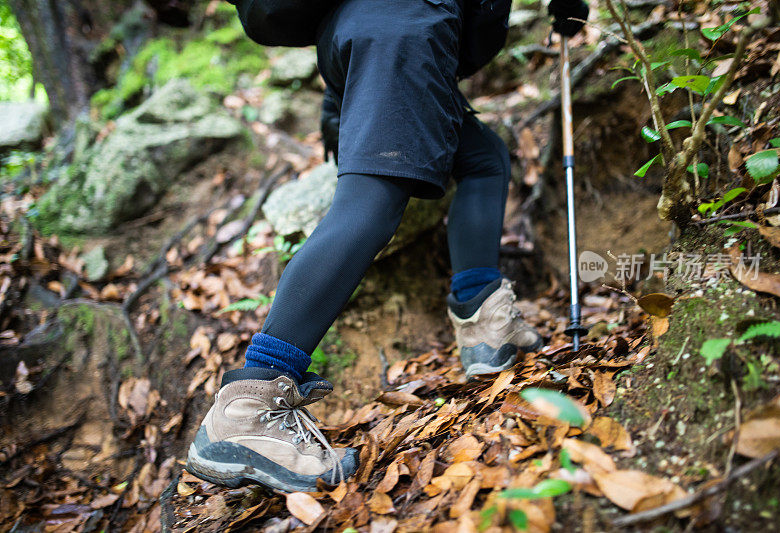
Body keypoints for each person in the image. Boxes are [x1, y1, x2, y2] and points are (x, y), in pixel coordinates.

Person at [185, 0, 589, 492]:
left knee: (484, 157)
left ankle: (486, 323)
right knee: (371, 204)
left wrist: (340, 103)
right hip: (406, 25)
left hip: (357, 32)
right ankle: (249, 406)